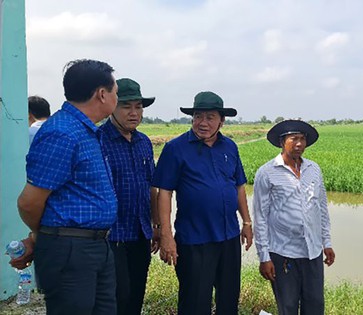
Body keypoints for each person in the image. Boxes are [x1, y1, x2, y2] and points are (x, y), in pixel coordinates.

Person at [14, 59, 119, 315]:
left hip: (94, 246)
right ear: (102, 94)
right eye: (116, 92)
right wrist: (43, 235)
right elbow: (29, 202)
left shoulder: (85, 131)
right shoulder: (62, 133)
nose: (117, 97)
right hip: (72, 252)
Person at [152, 91, 253, 315]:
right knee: (195, 302)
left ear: (222, 121)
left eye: (210, 117)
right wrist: (166, 234)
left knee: (229, 298)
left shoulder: (230, 148)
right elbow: (165, 192)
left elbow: (238, 187)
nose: (203, 123)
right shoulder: (175, 148)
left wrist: (246, 222)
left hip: (228, 238)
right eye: (198, 116)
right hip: (195, 239)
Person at [253, 120, 335, 315]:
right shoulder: (267, 173)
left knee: (315, 304)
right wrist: (264, 257)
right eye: (294, 139)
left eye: (303, 139)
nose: (299, 144)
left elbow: (321, 208)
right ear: (283, 142)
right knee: (288, 306)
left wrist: (327, 242)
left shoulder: (313, 169)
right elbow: (260, 217)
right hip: (283, 253)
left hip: (312, 252)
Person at [99, 78, 159, 315]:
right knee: (117, 295)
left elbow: (151, 186)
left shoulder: (143, 142)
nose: (134, 113)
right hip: (111, 234)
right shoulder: (99, 140)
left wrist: (157, 225)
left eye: (138, 107)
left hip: (140, 231)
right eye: (127, 107)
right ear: (112, 106)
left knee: (136, 293)